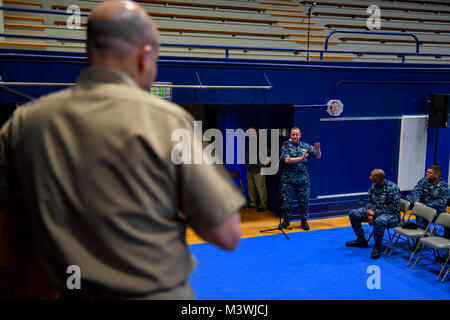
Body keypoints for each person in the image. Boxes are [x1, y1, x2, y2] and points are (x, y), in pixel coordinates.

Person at [0, 0, 244, 300]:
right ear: (144, 56)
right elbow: (227, 234)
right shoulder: (168, 121)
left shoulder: (24, 123)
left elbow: (10, 231)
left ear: (90, 51)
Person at [346, 169, 401, 259]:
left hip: (392, 215)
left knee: (379, 220)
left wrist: (375, 213)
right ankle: (361, 240)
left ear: (378, 178)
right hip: (374, 212)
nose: (370, 177)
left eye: (372, 176)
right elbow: (370, 202)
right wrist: (370, 214)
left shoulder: (393, 188)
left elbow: (393, 208)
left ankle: (377, 246)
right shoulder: (373, 187)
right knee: (353, 213)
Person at [280, 127, 321, 231]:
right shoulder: (286, 146)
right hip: (288, 180)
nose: (295, 136)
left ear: (300, 135)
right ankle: (286, 221)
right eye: (293, 135)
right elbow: (287, 160)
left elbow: (317, 156)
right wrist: (300, 158)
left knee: (304, 201)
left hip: (303, 180)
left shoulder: (305, 146)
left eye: (296, 135)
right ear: (290, 135)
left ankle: (304, 221)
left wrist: (318, 149)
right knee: (287, 202)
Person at [407, 164, 449, 239]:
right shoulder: (424, 181)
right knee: (411, 201)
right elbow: (415, 190)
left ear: (436, 175)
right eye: (427, 172)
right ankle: (420, 241)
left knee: (446, 221)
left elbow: (442, 202)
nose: (427, 174)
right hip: (423, 208)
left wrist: (425, 206)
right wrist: (416, 201)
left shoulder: (444, 187)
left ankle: (446, 240)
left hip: (436, 211)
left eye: (429, 173)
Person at [245, 124, 270, 212]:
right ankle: (253, 203)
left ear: (257, 131)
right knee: (251, 186)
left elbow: (269, 153)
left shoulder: (262, 141)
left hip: (259, 167)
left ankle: (263, 205)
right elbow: (248, 151)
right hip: (250, 167)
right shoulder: (249, 140)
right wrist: (246, 160)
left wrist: (265, 163)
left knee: (260, 186)